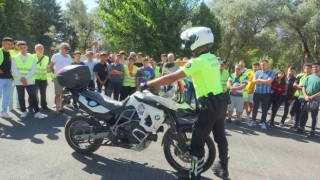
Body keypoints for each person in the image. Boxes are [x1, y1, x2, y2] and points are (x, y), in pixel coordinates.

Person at [140, 27, 229, 179]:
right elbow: (195, 74)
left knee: (197, 140)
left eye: (192, 41)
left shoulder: (197, 61)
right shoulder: (213, 58)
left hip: (208, 106)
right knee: (220, 136)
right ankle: (223, 168)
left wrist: (148, 84)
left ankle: (194, 175)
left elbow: (172, 78)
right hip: (221, 102)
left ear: (198, 42)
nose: (190, 45)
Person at [11, 41, 47, 119]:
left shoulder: (32, 57)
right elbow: (14, 70)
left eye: (24, 47)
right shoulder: (15, 58)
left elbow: (33, 69)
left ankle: (37, 112)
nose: (23, 49)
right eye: (21, 48)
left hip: (30, 80)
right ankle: (23, 111)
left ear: (27, 47)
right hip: (19, 80)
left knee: (33, 96)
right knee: (21, 96)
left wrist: (25, 78)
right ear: (18, 48)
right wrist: (22, 78)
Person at [296, 62, 320, 137]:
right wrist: (305, 95)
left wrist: (312, 96)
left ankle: (312, 130)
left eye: (316, 67)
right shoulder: (309, 77)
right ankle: (301, 128)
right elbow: (303, 87)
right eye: (313, 67)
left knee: (314, 116)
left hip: (316, 100)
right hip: (306, 98)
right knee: (304, 114)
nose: (314, 68)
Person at [250, 60, 275, 129]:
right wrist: (263, 81)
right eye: (261, 65)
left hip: (266, 94)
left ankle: (262, 122)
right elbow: (254, 81)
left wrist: (259, 80)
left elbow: (269, 81)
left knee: (264, 109)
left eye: (264, 64)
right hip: (257, 93)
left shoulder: (271, 72)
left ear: (267, 65)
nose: (262, 66)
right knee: (255, 108)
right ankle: (253, 120)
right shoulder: (257, 72)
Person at [50, 42, 73, 113]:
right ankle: (57, 109)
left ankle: (62, 108)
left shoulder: (69, 56)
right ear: (61, 48)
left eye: (67, 49)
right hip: (58, 77)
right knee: (58, 94)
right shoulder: (55, 56)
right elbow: (51, 66)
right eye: (65, 48)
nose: (66, 50)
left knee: (63, 94)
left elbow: (70, 67)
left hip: (66, 78)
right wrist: (55, 74)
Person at [290, 64, 312, 129]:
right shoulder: (300, 75)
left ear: (311, 69)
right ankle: (295, 124)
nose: (307, 70)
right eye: (306, 68)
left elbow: (310, 88)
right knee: (294, 110)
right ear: (304, 68)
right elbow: (294, 85)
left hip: (306, 97)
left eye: (309, 68)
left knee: (304, 112)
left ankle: (302, 127)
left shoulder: (313, 77)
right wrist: (302, 88)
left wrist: (301, 87)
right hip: (297, 96)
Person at [30, 44, 50, 111]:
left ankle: (44, 106)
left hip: (43, 78)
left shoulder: (46, 57)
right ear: (35, 50)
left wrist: (49, 77)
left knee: (43, 93)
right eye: (39, 48)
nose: (41, 50)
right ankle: (33, 106)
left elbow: (46, 68)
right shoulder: (31, 57)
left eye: (42, 48)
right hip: (34, 78)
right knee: (33, 93)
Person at [0, 37, 14, 118]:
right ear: (3, 43)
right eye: (8, 44)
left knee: (6, 96)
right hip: (0, 78)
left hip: (9, 78)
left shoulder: (11, 53)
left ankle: (4, 112)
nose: (10, 46)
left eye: (11, 44)